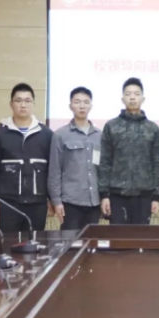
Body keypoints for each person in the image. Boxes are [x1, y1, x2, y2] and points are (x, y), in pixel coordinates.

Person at [0, 83, 54, 233]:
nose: (23, 105)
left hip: (37, 204)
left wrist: (52, 199)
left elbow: (52, 170)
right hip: (7, 204)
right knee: (8, 244)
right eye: (18, 100)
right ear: (11, 104)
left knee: (35, 244)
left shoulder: (47, 135)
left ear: (33, 104)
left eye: (27, 101)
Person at [98, 78, 159, 225]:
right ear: (122, 99)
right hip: (117, 194)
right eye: (128, 94)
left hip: (144, 196)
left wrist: (155, 196)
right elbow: (105, 162)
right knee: (118, 237)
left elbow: (156, 163)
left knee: (140, 237)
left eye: (136, 94)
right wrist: (104, 195)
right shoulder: (111, 126)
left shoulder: (152, 128)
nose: (132, 97)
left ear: (143, 98)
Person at [49, 87, 102, 231]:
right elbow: (55, 171)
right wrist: (56, 201)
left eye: (86, 102)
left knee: (91, 241)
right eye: (77, 102)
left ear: (91, 106)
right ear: (70, 106)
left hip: (94, 201)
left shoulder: (100, 136)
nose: (82, 106)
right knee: (70, 242)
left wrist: (105, 197)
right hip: (70, 202)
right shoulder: (60, 135)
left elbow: (103, 170)